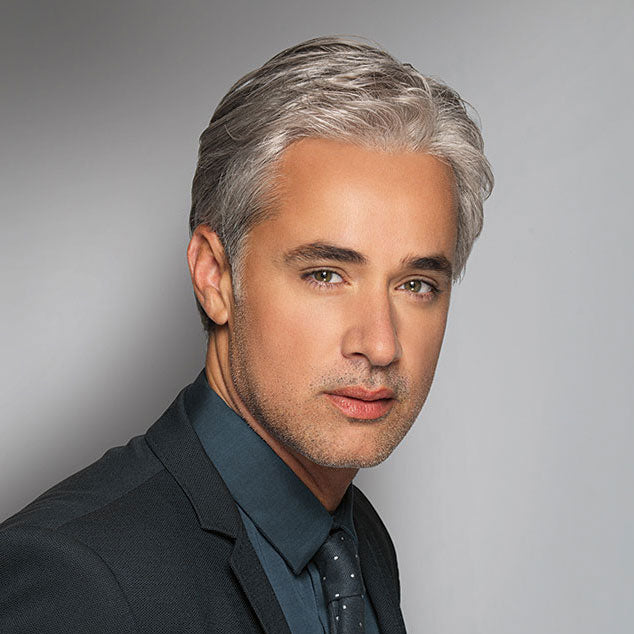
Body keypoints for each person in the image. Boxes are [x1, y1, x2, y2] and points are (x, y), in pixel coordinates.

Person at [0, 36, 493, 633]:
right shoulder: (75, 579)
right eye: (325, 274)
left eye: (416, 285)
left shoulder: (359, 543)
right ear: (214, 275)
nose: (381, 345)